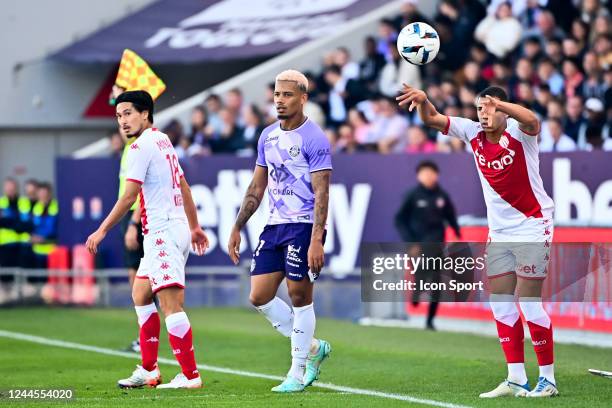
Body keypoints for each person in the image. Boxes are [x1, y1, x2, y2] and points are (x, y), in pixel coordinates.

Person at [397, 84, 558, 398]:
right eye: (479, 108)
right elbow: (433, 120)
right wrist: (424, 100)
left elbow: (532, 120)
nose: (482, 114)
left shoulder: (520, 133)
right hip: (499, 233)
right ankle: (516, 378)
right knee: (500, 303)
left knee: (529, 302)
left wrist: (501, 105)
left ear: (502, 108)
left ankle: (548, 380)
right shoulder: (473, 133)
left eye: (488, 108)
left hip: (532, 226)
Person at [86, 90, 209, 389]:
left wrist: (102, 230)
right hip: (171, 229)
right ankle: (149, 369)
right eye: (119, 116)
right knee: (141, 294)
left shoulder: (141, 147)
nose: (123, 121)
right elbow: (185, 187)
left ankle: (191, 376)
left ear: (145, 114)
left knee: (170, 305)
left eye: (128, 113)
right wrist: (194, 227)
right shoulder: (163, 140)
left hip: (163, 232)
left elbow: (129, 196)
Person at [227, 70, 332, 393]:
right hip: (273, 225)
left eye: (287, 95)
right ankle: (314, 347)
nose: (279, 100)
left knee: (300, 297)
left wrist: (317, 239)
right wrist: (237, 225)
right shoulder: (267, 136)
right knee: (259, 296)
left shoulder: (314, 139)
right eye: (276, 94)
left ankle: (298, 372)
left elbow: (322, 192)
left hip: (302, 226)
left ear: (303, 98)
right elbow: (257, 185)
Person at [394, 160, 461, 330]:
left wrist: (456, 231)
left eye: (431, 173)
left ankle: (430, 320)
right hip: (417, 244)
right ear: (419, 175)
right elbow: (399, 219)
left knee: (437, 281)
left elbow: (450, 216)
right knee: (421, 275)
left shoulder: (442, 196)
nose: (428, 176)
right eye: (424, 173)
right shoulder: (412, 195)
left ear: (436, 175)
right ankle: (416, 293)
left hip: (437, 243)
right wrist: (410, 242)